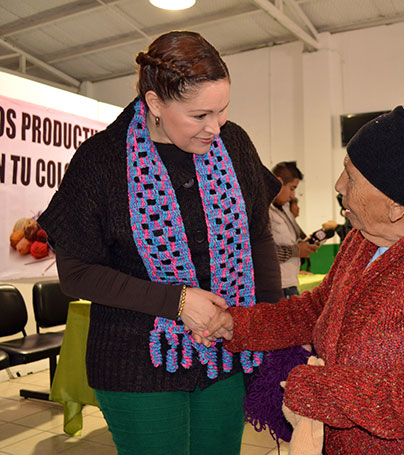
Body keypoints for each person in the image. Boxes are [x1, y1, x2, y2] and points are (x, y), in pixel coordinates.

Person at [204, 89, 404, 454]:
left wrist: (325, 390)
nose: (338, 186)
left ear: (396, 203)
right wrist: (240, 325)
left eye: (351, 177)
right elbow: (320, 308)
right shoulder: (366, 236)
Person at [37, 31, 282, 455]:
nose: (215, 127)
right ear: (153, 104)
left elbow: (257, 235)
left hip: (225, 353)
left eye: (222, 110)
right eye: (199, 115)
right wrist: (180, 303)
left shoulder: (234, 144)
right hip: (136, 360)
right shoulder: (102, 160)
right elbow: (76, 274)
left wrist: (268, 324)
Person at [270, 161, 318, 297]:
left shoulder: (285, 209)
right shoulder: (265, 212)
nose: (292, 195)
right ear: (279, 182)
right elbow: (266, 253)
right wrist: (297, 250)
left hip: (290, 285)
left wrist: (308, 245)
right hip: (277, 288)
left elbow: (296, 240)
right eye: (292, 188)